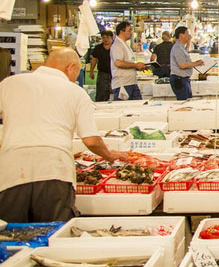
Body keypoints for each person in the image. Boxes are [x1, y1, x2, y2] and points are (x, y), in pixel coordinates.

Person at [0, 48, 128, 222]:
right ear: (71, 67)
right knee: (53, 236)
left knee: (10, 238)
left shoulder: (10, 83)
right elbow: (91, 140)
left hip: (11, 171)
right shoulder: (75, 92)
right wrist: (109, 155)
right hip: (54, 170)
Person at [111, 20, 146, 100]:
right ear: (121, 32)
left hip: (131, 82)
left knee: (138, 107)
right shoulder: (117, 45)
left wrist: (138, 66)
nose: (131, 32)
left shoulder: (125, 44)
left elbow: (127, 62)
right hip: (122, 84)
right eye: (129, 30)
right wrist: (135, 65)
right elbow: (118, 63)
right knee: (124, 109)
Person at [169, 26, 204, 100]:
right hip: (179, 79)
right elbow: (182, 65)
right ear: (181, 35)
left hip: (183, 79)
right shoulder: (177, 48)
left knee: (188, 100)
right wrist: (196, 63)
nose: (189, 35)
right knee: (184, 102)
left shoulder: (181, 47)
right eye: (187, 33)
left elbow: (185, 52)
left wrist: (188, 42)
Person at [88, 30, 114, 102]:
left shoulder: (116, 47)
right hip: (102, 74)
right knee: (101, 94)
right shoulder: (98, 48)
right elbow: (94, 60)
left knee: (115, 93)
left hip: (115, 73)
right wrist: (91, 71)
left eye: (107, 37)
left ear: (111, 38)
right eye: (104, 37)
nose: (105, 39)